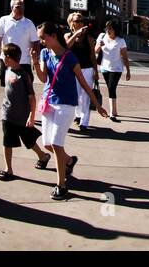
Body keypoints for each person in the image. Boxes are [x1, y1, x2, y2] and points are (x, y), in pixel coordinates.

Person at [35, 20, 107, 200]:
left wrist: (97, 105)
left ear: (53, 36)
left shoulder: (69, 57)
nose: (41, 41)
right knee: (47, 144)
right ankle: (69, 160)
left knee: (57, 145)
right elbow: (44, 78)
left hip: (65, 104)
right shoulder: (44, 53)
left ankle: (61, 185)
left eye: (43, 38)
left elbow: (83, 83)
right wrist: (36, 62)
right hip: (48, 102)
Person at [0, 43, 48, 181]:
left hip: (22, 116)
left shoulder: (23, 75)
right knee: (7, 141)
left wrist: (31, 116)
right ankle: (9, 169)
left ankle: (43, 156)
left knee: (29, 140)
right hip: (7, 113)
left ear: (10, 58)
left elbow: (32, 97)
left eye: (4, 56)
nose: (3, 58)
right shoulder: (6, 71)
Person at [0, 0, 40, 87]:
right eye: (18, 7)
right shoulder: (4, 20)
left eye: (22, 7)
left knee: (27, 84)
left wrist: (35, 58)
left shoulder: (29, 24)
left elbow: (36, 42)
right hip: (7, 59)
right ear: (11, 8)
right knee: (5, 83)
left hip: (24, 61)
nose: (21, 9)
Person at [64, 11, 100, 132]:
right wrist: (76, 35)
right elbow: (66, 47)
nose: (79, 23)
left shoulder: (88, 37)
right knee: (74, 95)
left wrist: (96, 71)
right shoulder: (68, 36)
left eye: (81, 21)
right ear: (71, 23)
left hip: (87, 69)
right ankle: (78, 115)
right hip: (72, 69)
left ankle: (84, 122)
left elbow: (92, 55)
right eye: (76, 21)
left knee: (85, 95)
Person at [96, 21, 131, 122]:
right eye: (106, 28)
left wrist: (128, 71)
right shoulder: (102, 36)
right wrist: (99, 45)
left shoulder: (120, 41)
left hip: (116, 69)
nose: (108, 30)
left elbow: (125, 56)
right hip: (104, 68)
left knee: (111, 87)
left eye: (110, 29)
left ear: (115, 29)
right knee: (110, 88)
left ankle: (112, 113)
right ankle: (114, 111)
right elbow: (95, 50)